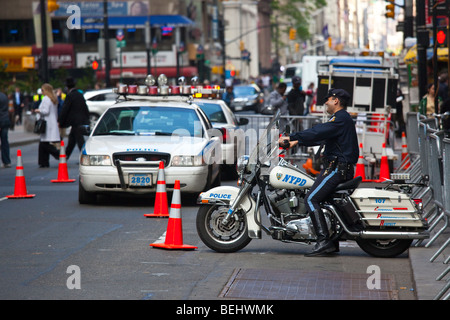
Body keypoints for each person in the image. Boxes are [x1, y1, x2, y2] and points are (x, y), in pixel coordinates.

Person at [279, 88, 359, 257]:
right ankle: (332, 240)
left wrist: (293, 136)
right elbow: (321, 137)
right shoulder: (341, 120)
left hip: (336, 168)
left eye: (328, 99)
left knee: (311, 198)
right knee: (322, 201)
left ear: (336, 100)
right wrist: (296, 141)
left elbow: (318, 131)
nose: (326, 103)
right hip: (337, 167)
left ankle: (323, 241)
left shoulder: (340, 118)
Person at [59, 77, 90, 160]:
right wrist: (87, 119)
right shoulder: (80, 95)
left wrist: (60, 121)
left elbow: (65, 110)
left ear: (67, 87)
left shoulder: (69, 96)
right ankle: (66, 156)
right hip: (80, 121)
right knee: (72, 140)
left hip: (75, 122)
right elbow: (85, 108)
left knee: (80, 141)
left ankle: (85, 157)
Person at [34, 83, 60, 168]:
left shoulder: (46, 99)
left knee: (44, 143)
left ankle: (57, 154)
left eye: (42, 90)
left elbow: (45, 111)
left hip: (47, 123)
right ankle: (44, 162)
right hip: (52, 122)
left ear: (45, 90)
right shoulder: (53, 99)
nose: (41, 92)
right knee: (43, 143)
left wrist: (38, 110)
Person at [0, 90, 11, 168]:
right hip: (5, 120)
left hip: (1, 120)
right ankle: (7, 161)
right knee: (5, 142)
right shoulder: (4, 96)